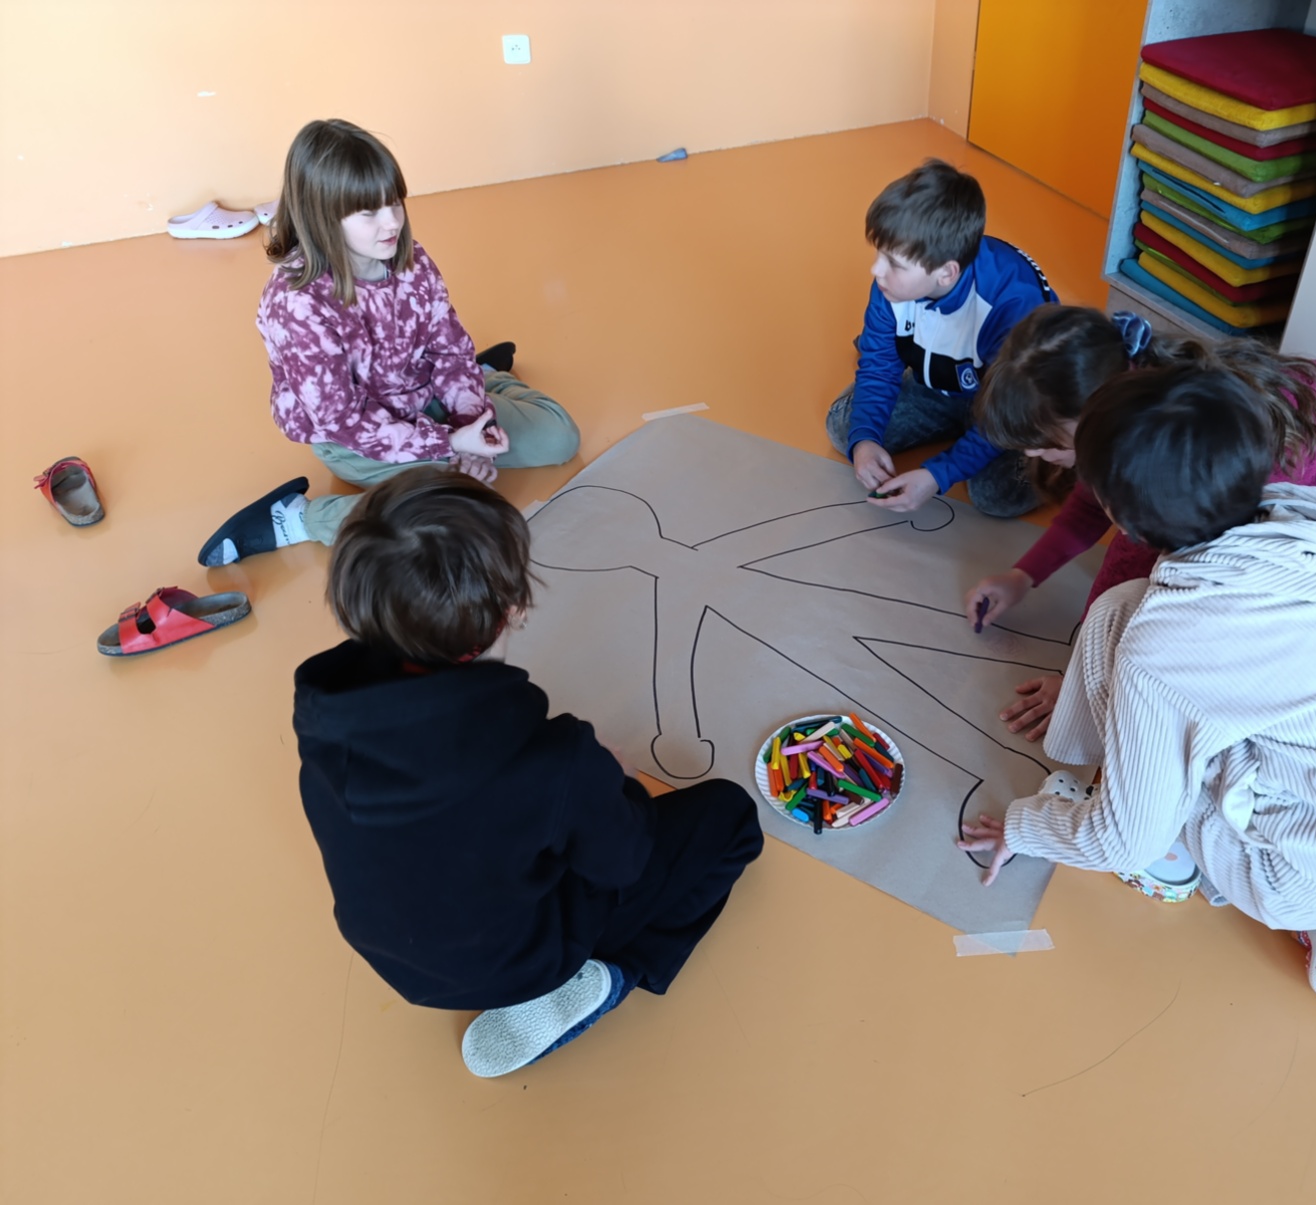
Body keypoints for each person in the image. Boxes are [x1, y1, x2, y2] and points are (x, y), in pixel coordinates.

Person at [956, 366, 1316, 1008]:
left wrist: (1024, 827)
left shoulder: (1165, 647)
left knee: (1124, 649)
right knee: (1127, 616)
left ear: (1125, 522)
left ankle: (1197, 869)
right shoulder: (1310, 513)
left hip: (1296, 872)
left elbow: (1119, 838)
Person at [293, 468, 763, 1076]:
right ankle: (613, 974)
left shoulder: (325, 715)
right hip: (518, 961)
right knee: (729, 818)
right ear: (512, 611)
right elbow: (624, 860)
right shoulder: (554, 759)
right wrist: (611, 782)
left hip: (396, 959)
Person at [963, 305, 1316, 743]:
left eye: (1047, 443)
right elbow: (1090, 506)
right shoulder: (1145, 402)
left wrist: (1079, 682)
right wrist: (1023, 575)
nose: (1034, 454)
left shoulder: (1168, 478)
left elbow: (1125, 590)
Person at [197, 118, 580, 567]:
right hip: (356, 440)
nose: (392, 222)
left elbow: (450, 349)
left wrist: (474, 420)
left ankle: (487, 378)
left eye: (394, 202)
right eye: (369, 212)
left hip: (425, 399)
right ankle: (298, 519)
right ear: (322, 215)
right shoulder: (297, 304)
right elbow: (345, 421)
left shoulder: (410, 258)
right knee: (450, 513)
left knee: (561, 439)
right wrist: (452, 444)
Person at [824, 159, 1056, 518]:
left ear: (946, 273)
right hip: (942, 387)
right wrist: (865, 439)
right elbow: (879, 366)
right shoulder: (890, 285)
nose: (876, 269)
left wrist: (938, 474)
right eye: (879, 253)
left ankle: (1062, 461)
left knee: (995, 496)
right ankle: (947, 415)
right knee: (845, 429)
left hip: (1013, 403)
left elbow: (1008, 409)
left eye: (894, 262)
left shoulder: (1013, 304)